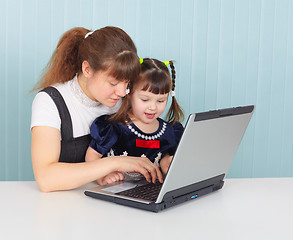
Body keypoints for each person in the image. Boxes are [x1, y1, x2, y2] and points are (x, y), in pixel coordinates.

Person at [31, 27, 163, 192]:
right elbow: (46, 178)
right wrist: (116, 162)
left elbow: (153, 139)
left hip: (113, 201)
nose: (122, 92)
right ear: (87, 69)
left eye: (127, 83)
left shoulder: (123, 99)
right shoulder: (50, 101)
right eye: (113, 83)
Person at [85, 58, 185, 185]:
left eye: (160, 101)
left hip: (147, 193)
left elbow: (163, 153)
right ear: (129, 92)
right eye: (144, 99)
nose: (153, 107)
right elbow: (92, 156)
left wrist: (165, 161)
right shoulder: (114, 127)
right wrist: (103, 176)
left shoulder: (170, 131)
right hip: (116, 191)